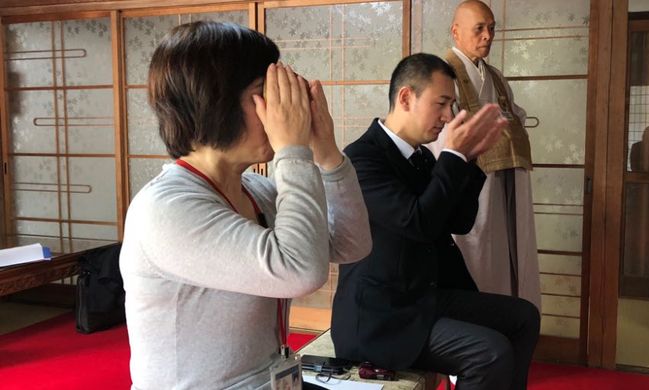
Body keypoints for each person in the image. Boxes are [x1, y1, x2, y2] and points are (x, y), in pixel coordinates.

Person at [119, 21, 371, 389]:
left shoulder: (256, 188)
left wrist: (327, 152)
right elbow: (299, 272)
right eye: (263, 93)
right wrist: (291, 149)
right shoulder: (165, 210)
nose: (278, 109)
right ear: (215, 101)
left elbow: (352, 244)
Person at [331, 53, 540, 390]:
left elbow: (459, 221)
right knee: (489, 352)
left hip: (424, 298)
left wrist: (469, 162)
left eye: (451, 105)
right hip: (382, 316)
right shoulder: (362, 159)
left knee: (524, 318)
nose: (447, 116)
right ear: (405, 98)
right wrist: (453, 157)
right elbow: (419, 223)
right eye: (441, 103)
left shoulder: (422, 157)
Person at [434, 0, 540, 308]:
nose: (487, 36)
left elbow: (514, 114)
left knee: (503, 248)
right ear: (456, 32)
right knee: (474, 245)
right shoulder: (443, 74)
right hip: (467, 181)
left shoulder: (494, 76)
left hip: (503, 177)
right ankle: (476, 318)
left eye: (491, 28)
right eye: (479, 28)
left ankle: (506, 315)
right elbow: (437, 130)